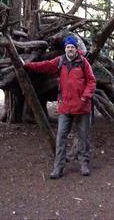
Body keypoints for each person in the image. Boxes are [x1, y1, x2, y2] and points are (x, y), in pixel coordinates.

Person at [23, 35, 96, 179]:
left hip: (82, 106)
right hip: (65, 107)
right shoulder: (60, 61)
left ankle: (84, 164)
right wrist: (27, 65)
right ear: (65, 48)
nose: (70, 49)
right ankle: (58, 167)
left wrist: (84, 97)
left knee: (83, 137)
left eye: (72, 47)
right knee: (61, 137)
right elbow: (45, 65)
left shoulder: (83, 62)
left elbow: (92, 82)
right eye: (68, 47)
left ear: (76, 49)